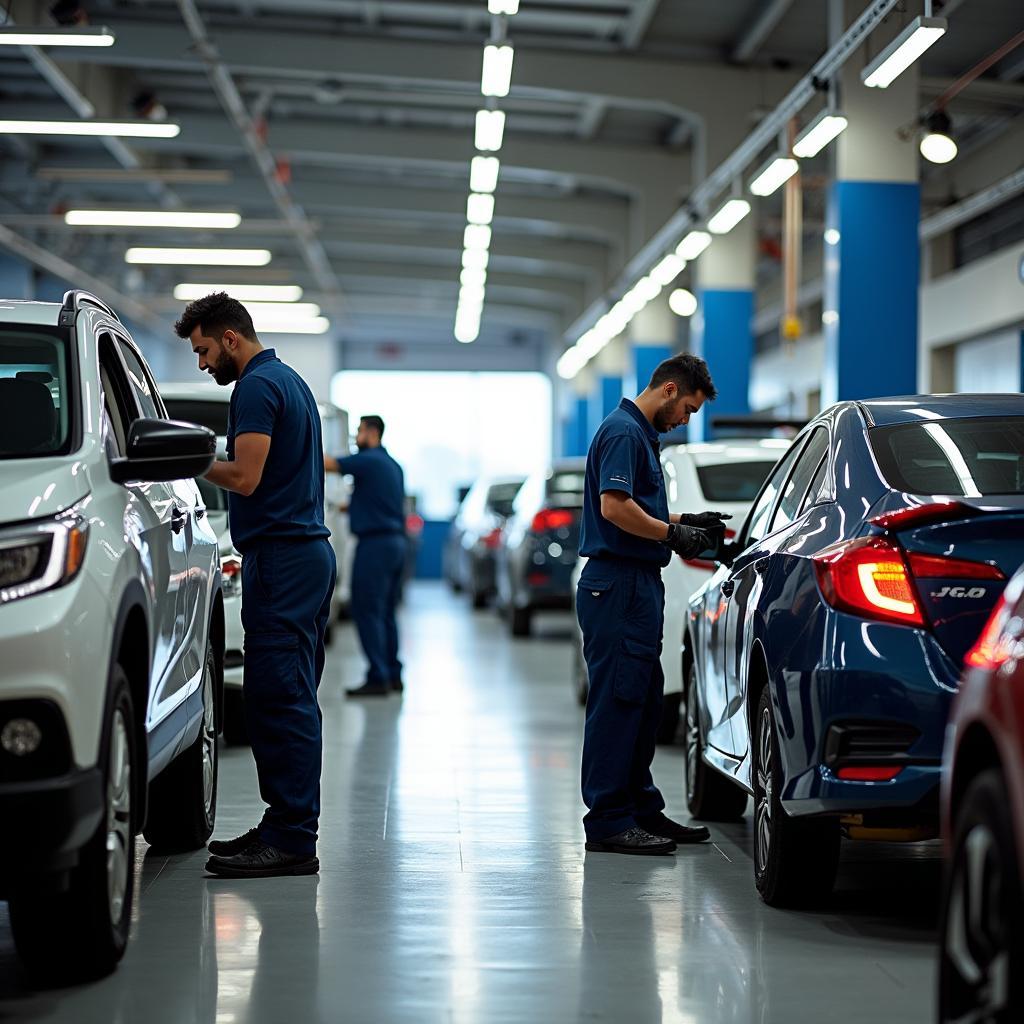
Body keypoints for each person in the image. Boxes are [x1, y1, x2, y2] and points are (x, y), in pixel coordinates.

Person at [176, 292, 336, 879]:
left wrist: (187, 461)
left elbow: (244, 477)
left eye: (203, 351)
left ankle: (293, 837)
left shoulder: (256, 389)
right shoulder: (288, 381)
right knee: (286, 695)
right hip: (300, 556)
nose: (202, 364)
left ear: (231, 338)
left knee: (281, 697)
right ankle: (283, 825)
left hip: (284, 560)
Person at [577, 354, 729, 856]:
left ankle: (640, 808)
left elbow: (639, 504)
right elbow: (614, 508)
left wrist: (689, 518)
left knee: (642, 702)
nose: (686, 418)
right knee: (618, 702)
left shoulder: (641, 436)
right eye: (687, 407)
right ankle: (607, 820)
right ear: (668, 389)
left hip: (637, 585)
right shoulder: (623, 432)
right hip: (617, 584)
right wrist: (673, 533)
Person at [325, 415, 407, 697]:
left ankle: (377, 676)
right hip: (395, 544)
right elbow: (377, 501)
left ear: (372, 432)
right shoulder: (392, 466)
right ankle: (393, 673)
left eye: (359, 431)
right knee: (385, 611)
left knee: (366, 609)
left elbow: (329, 464)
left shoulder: (368, 460)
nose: (356, 437)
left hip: (375, 547)